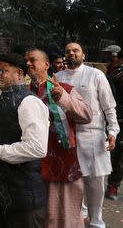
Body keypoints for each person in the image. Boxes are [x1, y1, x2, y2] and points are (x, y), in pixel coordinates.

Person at [0, 53, 49, 228]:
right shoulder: (2, 100)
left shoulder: (29, 102)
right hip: (0, 199)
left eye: (3, 71)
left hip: (22, 202)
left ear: (20, 74)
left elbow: (37, 148)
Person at [26, 48, 92, 228]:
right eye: (27, 61)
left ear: (47, 65)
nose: (28, 64)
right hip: (34, 165)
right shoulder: (24, 92)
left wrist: (63, 97)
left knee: (66, 219)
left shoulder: (64, 89)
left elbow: (87, 115)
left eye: (33, 60)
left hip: (62, 163)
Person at [56, 42, 119, 228]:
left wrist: (113, 131)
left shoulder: (96, 75)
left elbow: (109, 106)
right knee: (72, 184)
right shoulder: (57, 77)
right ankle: (77, 221)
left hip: (94, 136)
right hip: (66, 138)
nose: (71, 53)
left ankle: (96, 222)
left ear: (83, 55)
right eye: (68, 51)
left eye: (75, 50)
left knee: (95, 184)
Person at [105, 50, 123, 200]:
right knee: (119, 155)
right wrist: (114, 80)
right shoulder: (114, 77)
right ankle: (113, 185)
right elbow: (109, 100)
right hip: (119, 120)